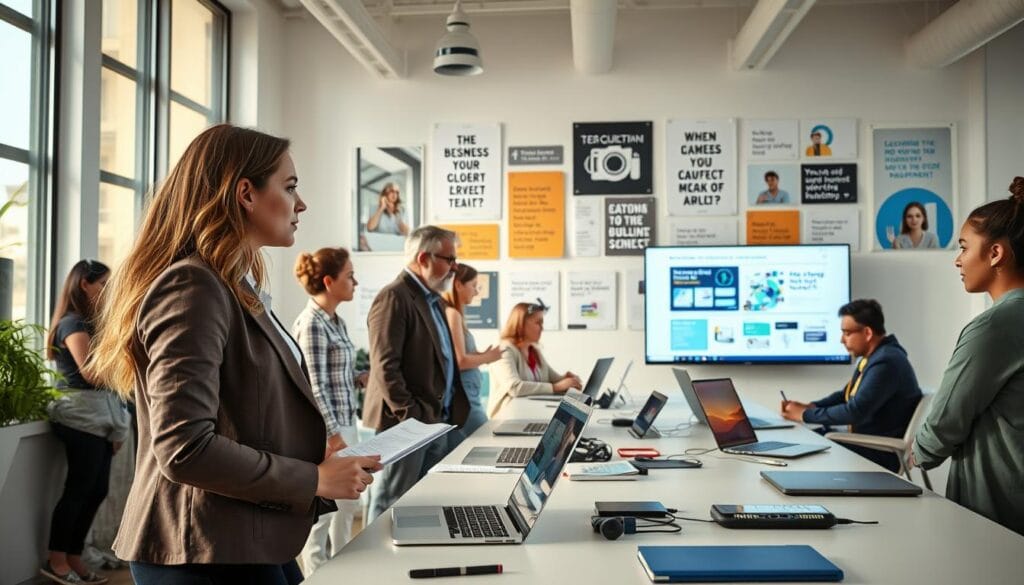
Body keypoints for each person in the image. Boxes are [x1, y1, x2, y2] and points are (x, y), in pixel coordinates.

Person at [88, 124, 382, 585]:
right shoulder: (193, 286)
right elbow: (184, 447)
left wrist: (310, 449)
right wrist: (313, 479)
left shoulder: (232, 285)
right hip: (201, 546)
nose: (300, 204)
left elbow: (237, 409)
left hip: (243, 534)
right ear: (245, 193)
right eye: (289, 188)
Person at [911, 177, 1024, 536]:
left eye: (963, 247)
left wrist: (918, 453)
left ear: (995, 253)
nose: (958, 260)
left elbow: (945, 422)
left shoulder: (994, 326)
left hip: (997, 518)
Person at [363, 225, 470, 522]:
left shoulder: (430, 299)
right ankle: (377, 567)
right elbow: (386, 367)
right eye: (449, 259)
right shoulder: (394, 297)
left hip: (433, 422)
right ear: (424, 258)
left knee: (420, 504)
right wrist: (411, 415)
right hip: (407, 425)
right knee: (390, 505)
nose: (455, 267)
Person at [41, 259, 130, 585]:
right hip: (79, 417)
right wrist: (122, 365)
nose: (107, 291)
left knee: (97, 490)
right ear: (84, 284)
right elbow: (91, 373)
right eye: (102, 284)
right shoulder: (72, 323)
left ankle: (75, 557)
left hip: (98, 419)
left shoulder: (89, 323)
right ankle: (56, 560)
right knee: (79, 491)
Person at [292, 247, 368, 576]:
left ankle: (343, 575)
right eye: (349, 276)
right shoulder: (311, 323)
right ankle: (317, 577)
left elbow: (331, 376)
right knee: (321, 518)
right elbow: (315, 386)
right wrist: (335, 436)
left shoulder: (335, 320)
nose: (355, 281)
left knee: (348, 508)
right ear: (328, 281)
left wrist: (356, 378)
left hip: (345, 425)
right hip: (328, 433)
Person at [781, 299, 922, 472]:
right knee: (809, 436)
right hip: (867, 443)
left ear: (867, 333)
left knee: (809, 440)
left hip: (881, 453)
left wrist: (805, 415)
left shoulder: (886, 362)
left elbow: (855, 412)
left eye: (847, 333)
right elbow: (844, 395)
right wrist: (812, 406)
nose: (842, 340)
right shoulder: (876, 357)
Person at [487, 301, 582, 417]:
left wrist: (567, 379)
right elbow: (514, 387)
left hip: (530, 414)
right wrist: (557, 387)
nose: (542, 328)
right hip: (507, 418)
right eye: (538, 323)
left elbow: (552, 380)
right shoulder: (503, 350)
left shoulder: (534, 351)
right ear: (521, 324)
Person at [442, 264, 503, 439]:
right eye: (474, 285)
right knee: (486, 438)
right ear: (458, 285)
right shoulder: (452, 314)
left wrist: (481, 355)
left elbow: (459, 354)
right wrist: (487, 357)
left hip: (470, 395)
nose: (476, 292)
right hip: (465, 397)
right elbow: (459, 361)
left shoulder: (456, 314)